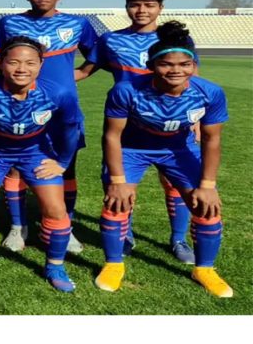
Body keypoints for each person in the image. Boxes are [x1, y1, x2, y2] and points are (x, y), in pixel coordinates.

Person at [95, 21, 232, 298]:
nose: (176, 70)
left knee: (206, 205)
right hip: (131, 149)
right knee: (116, 203)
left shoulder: (210, 93)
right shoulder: (126, 90)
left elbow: (211, 140)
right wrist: (118, 181)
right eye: (166, 64)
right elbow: (111, 136)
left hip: (178, 149)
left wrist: (207, 184)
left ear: (194, 65)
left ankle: (204, 269)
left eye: (184, 64)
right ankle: (113, 264)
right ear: (151, 65)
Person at [75, 0, 195, 263]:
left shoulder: (175, 38)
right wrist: (36, 80)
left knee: (175, 182)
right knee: (119, 183)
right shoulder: (111, 40)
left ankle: (179, 239)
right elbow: (83, 72)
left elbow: (191, 77)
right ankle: (125, 234)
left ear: (160, 8)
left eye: (149, 5)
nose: (142, 10)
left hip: (172, 122)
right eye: (135, 4)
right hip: (127, 123)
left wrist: (196, 119)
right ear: (127, 7)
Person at [0, 36, 80, 291]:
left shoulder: (58, 93)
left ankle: (55, 266)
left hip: (35, 153)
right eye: (13, 62)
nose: (22, 69)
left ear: (41, 64)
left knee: (56, 210)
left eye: (30, 63)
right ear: (1, 63)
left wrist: (62, 162)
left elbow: (70, 129)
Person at [0, 0, 98, 254]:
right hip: (19, 107)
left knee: (66, 167)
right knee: (15, 166)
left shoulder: (77, 24)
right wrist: (12, 80)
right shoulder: (9, 23)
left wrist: (78, 74)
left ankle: (64, 226)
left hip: (63, 108)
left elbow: (97, 54)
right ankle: (18, 227)